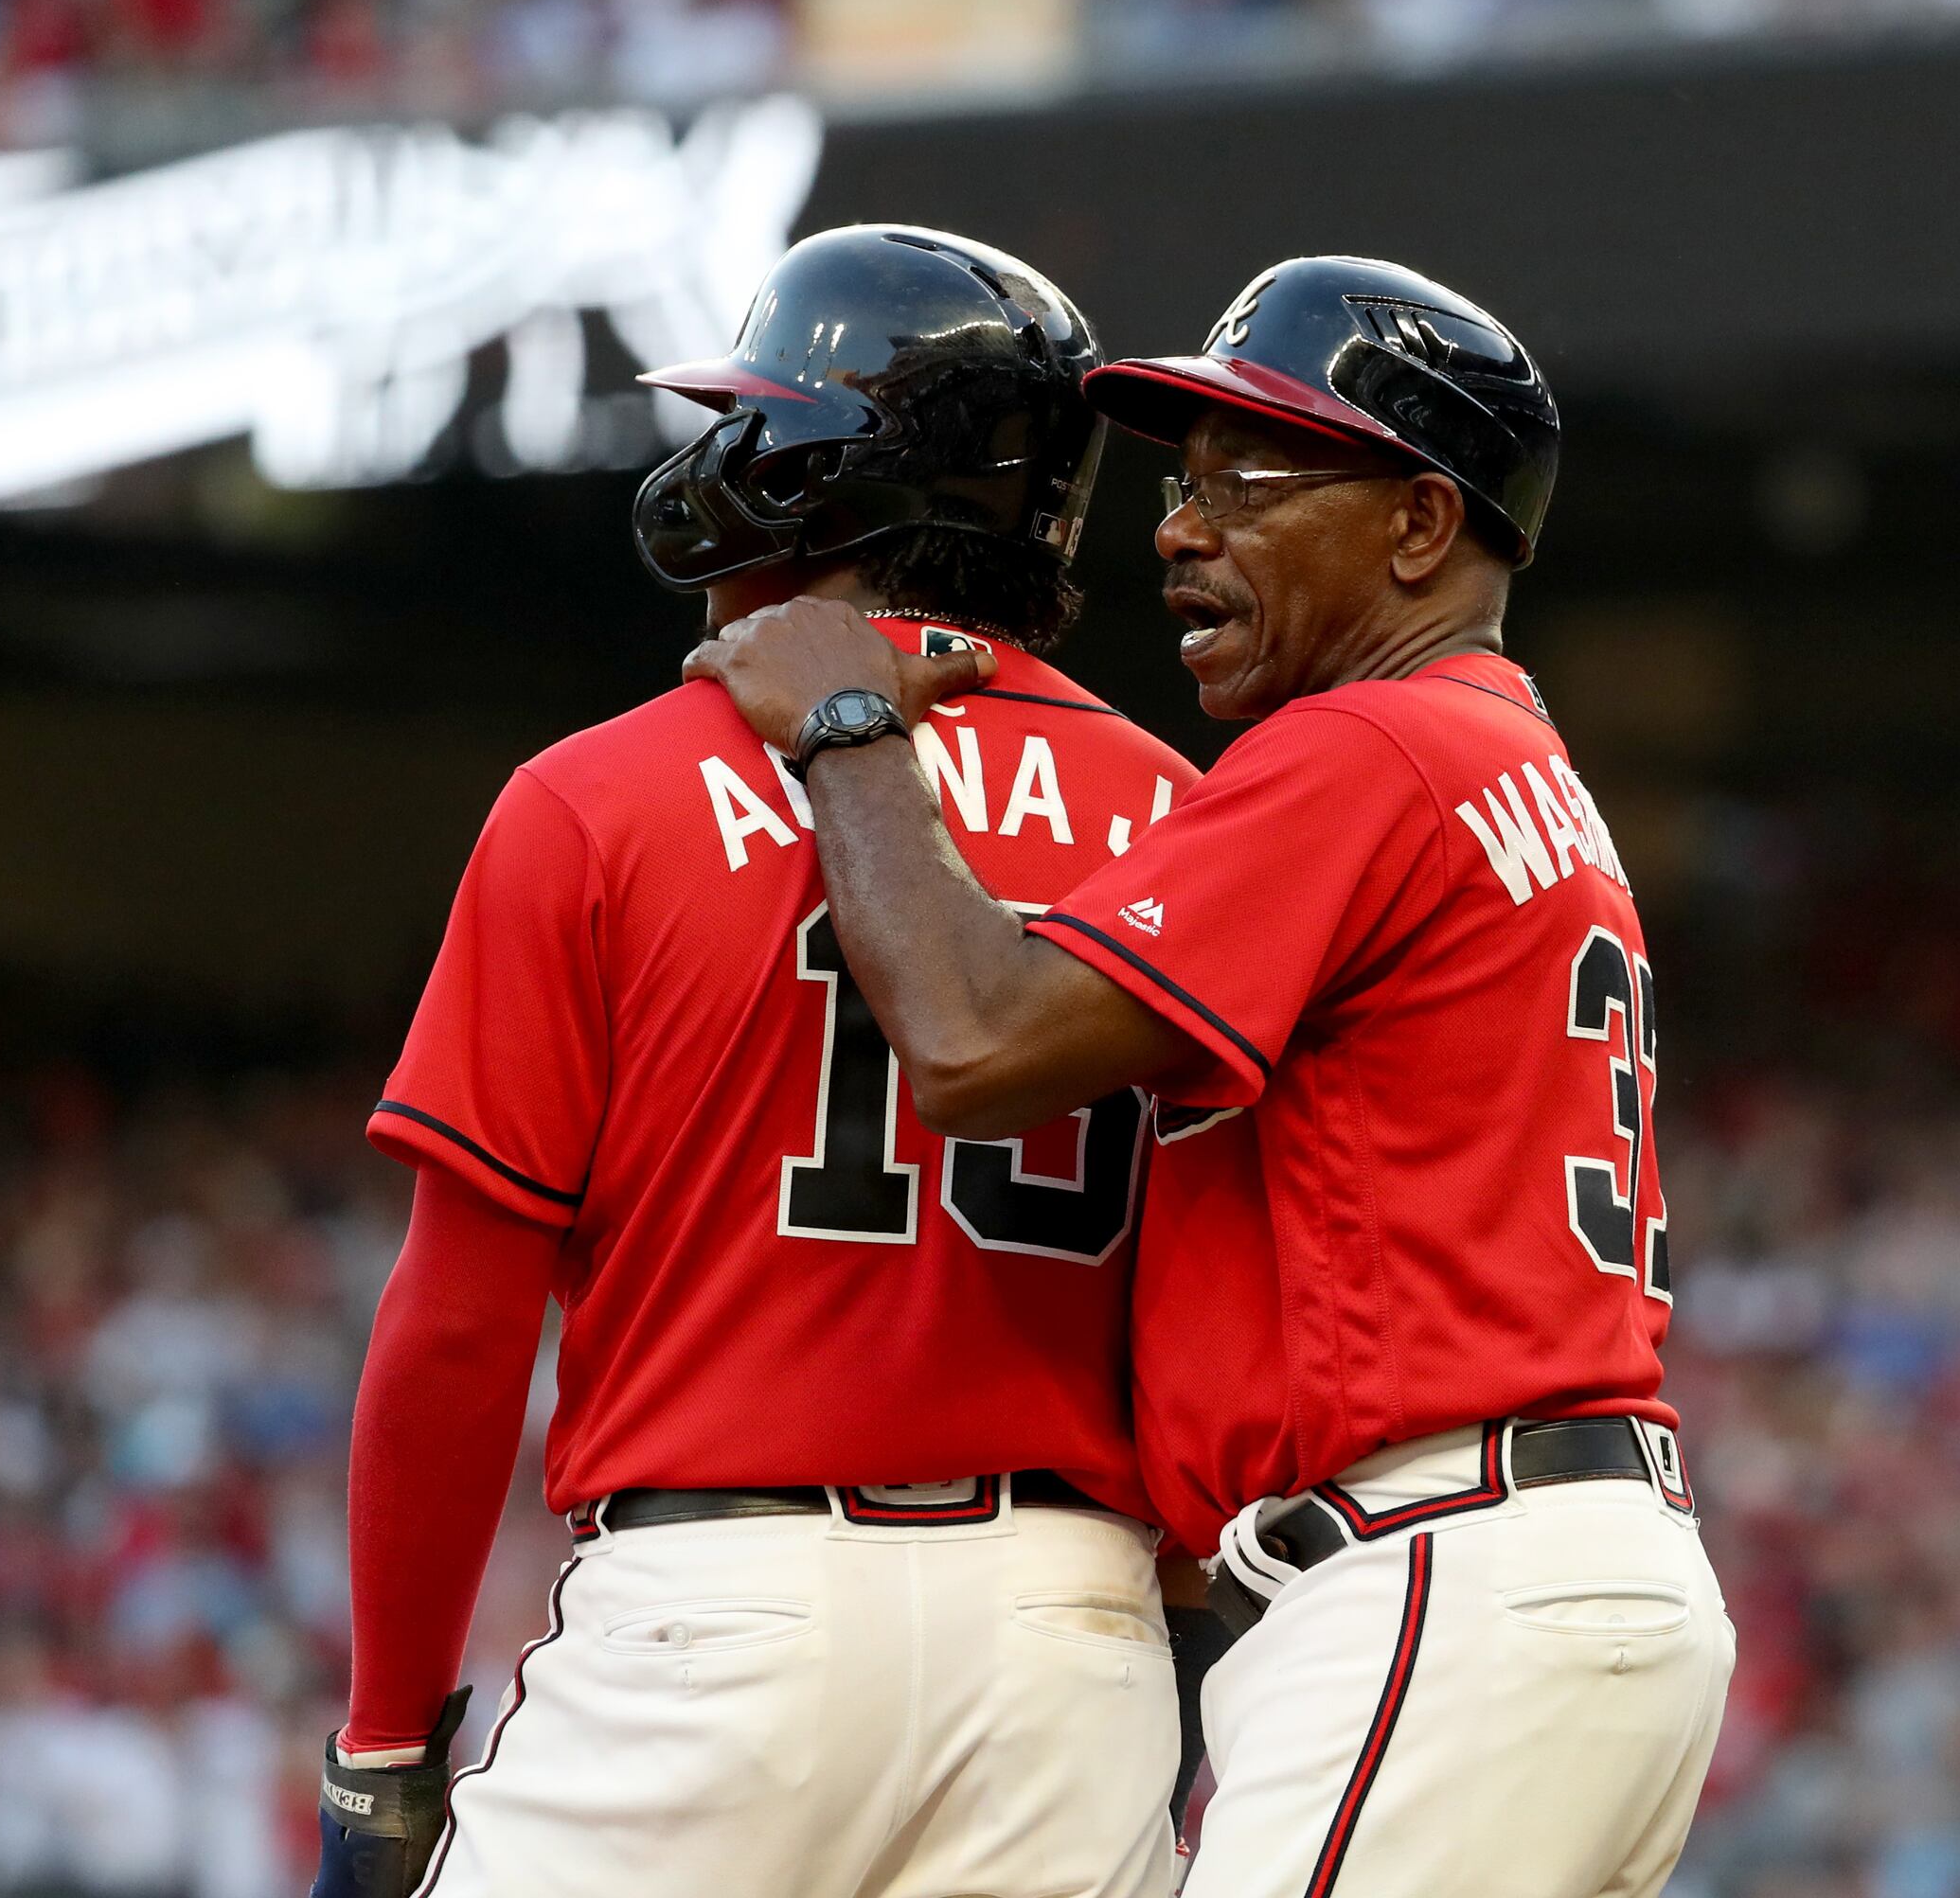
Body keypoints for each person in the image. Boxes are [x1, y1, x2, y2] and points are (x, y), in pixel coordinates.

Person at [683, 256, 1733, 1898]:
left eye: (1254, 480)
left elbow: (974, 1045)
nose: (1181, 527)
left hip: (1442, 1577)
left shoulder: (1368, 746)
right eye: (1183, 484)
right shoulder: (1514, 759)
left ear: (1416, 527)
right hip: (1561, 1572)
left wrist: (846, 724)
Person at [317, 225, 1195, 1898]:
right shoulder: (1194, 819)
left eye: (757, 424)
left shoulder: (600, 795)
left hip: (719, 1625)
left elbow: (459, 1322)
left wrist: (381, 1749)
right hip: (1068, 1640)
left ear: (821, 472)